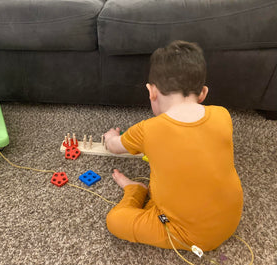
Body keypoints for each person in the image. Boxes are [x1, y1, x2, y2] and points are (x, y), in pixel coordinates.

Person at [103, 40, 243, 251]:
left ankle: (136, 191)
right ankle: (151, 200)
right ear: (203, 93)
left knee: (114, 220)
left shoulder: (147, 129)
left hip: (188, 235)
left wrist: (110, 136)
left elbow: (113, 146)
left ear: (152, 92)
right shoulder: (223, 115)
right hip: (230, 220)